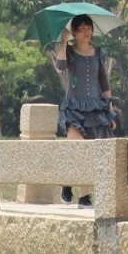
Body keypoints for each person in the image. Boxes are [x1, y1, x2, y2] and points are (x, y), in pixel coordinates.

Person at [52, 15, 116, 206]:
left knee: (94, 152)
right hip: (73, 108)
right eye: (82, 28)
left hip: (96, 108)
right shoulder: (69, 52)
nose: (87, 32)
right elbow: (60, 66)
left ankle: (84, 196)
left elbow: (104, 82)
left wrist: (110, 111)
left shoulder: (98, 53)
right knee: (80, 150)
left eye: (89, 27)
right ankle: (67, 181)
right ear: (74, 32)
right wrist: (63, 42)